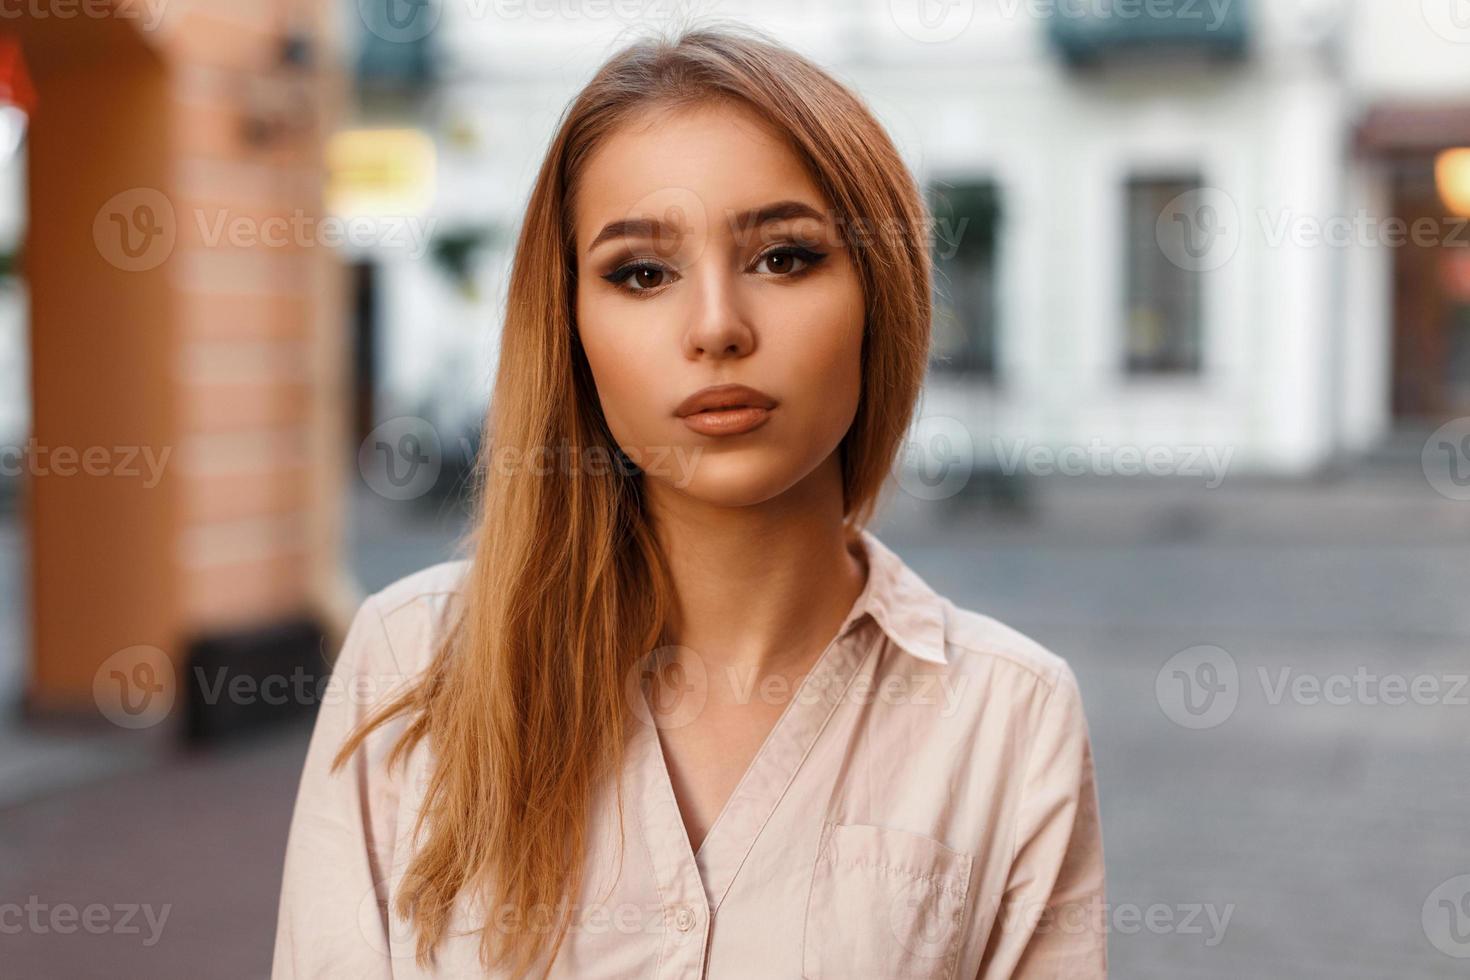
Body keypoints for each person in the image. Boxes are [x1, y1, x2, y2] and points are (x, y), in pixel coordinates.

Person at [272, 23, 1105, 979]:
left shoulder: (1008, 715)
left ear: (882, 294)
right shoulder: (409, 667)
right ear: (572, 326)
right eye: (642, 273)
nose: (716, 326)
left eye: (784, 257)